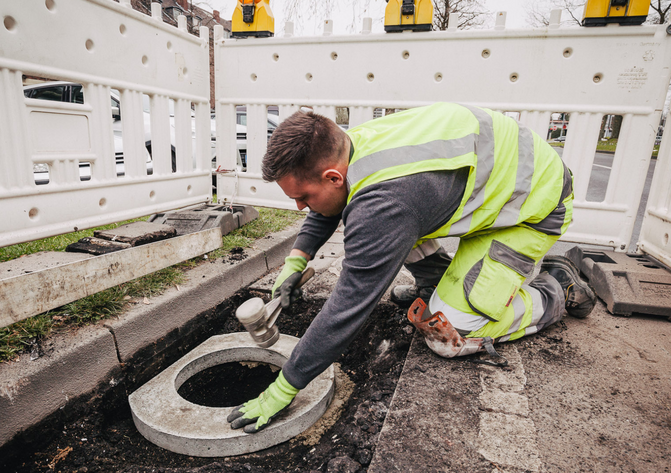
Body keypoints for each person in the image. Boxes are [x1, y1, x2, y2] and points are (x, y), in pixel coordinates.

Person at [227, 102, 597, 433]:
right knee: (391, 231)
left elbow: (350, 304)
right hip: (489, 191)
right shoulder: (346, 145)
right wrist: (297, 260)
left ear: (333, 176)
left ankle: (556, 289)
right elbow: (331, 203)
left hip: (532, 207)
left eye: (302, 197)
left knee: (450, 337)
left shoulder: (386, 203)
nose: (299, 208)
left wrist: (286, 385)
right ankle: (437, 285)